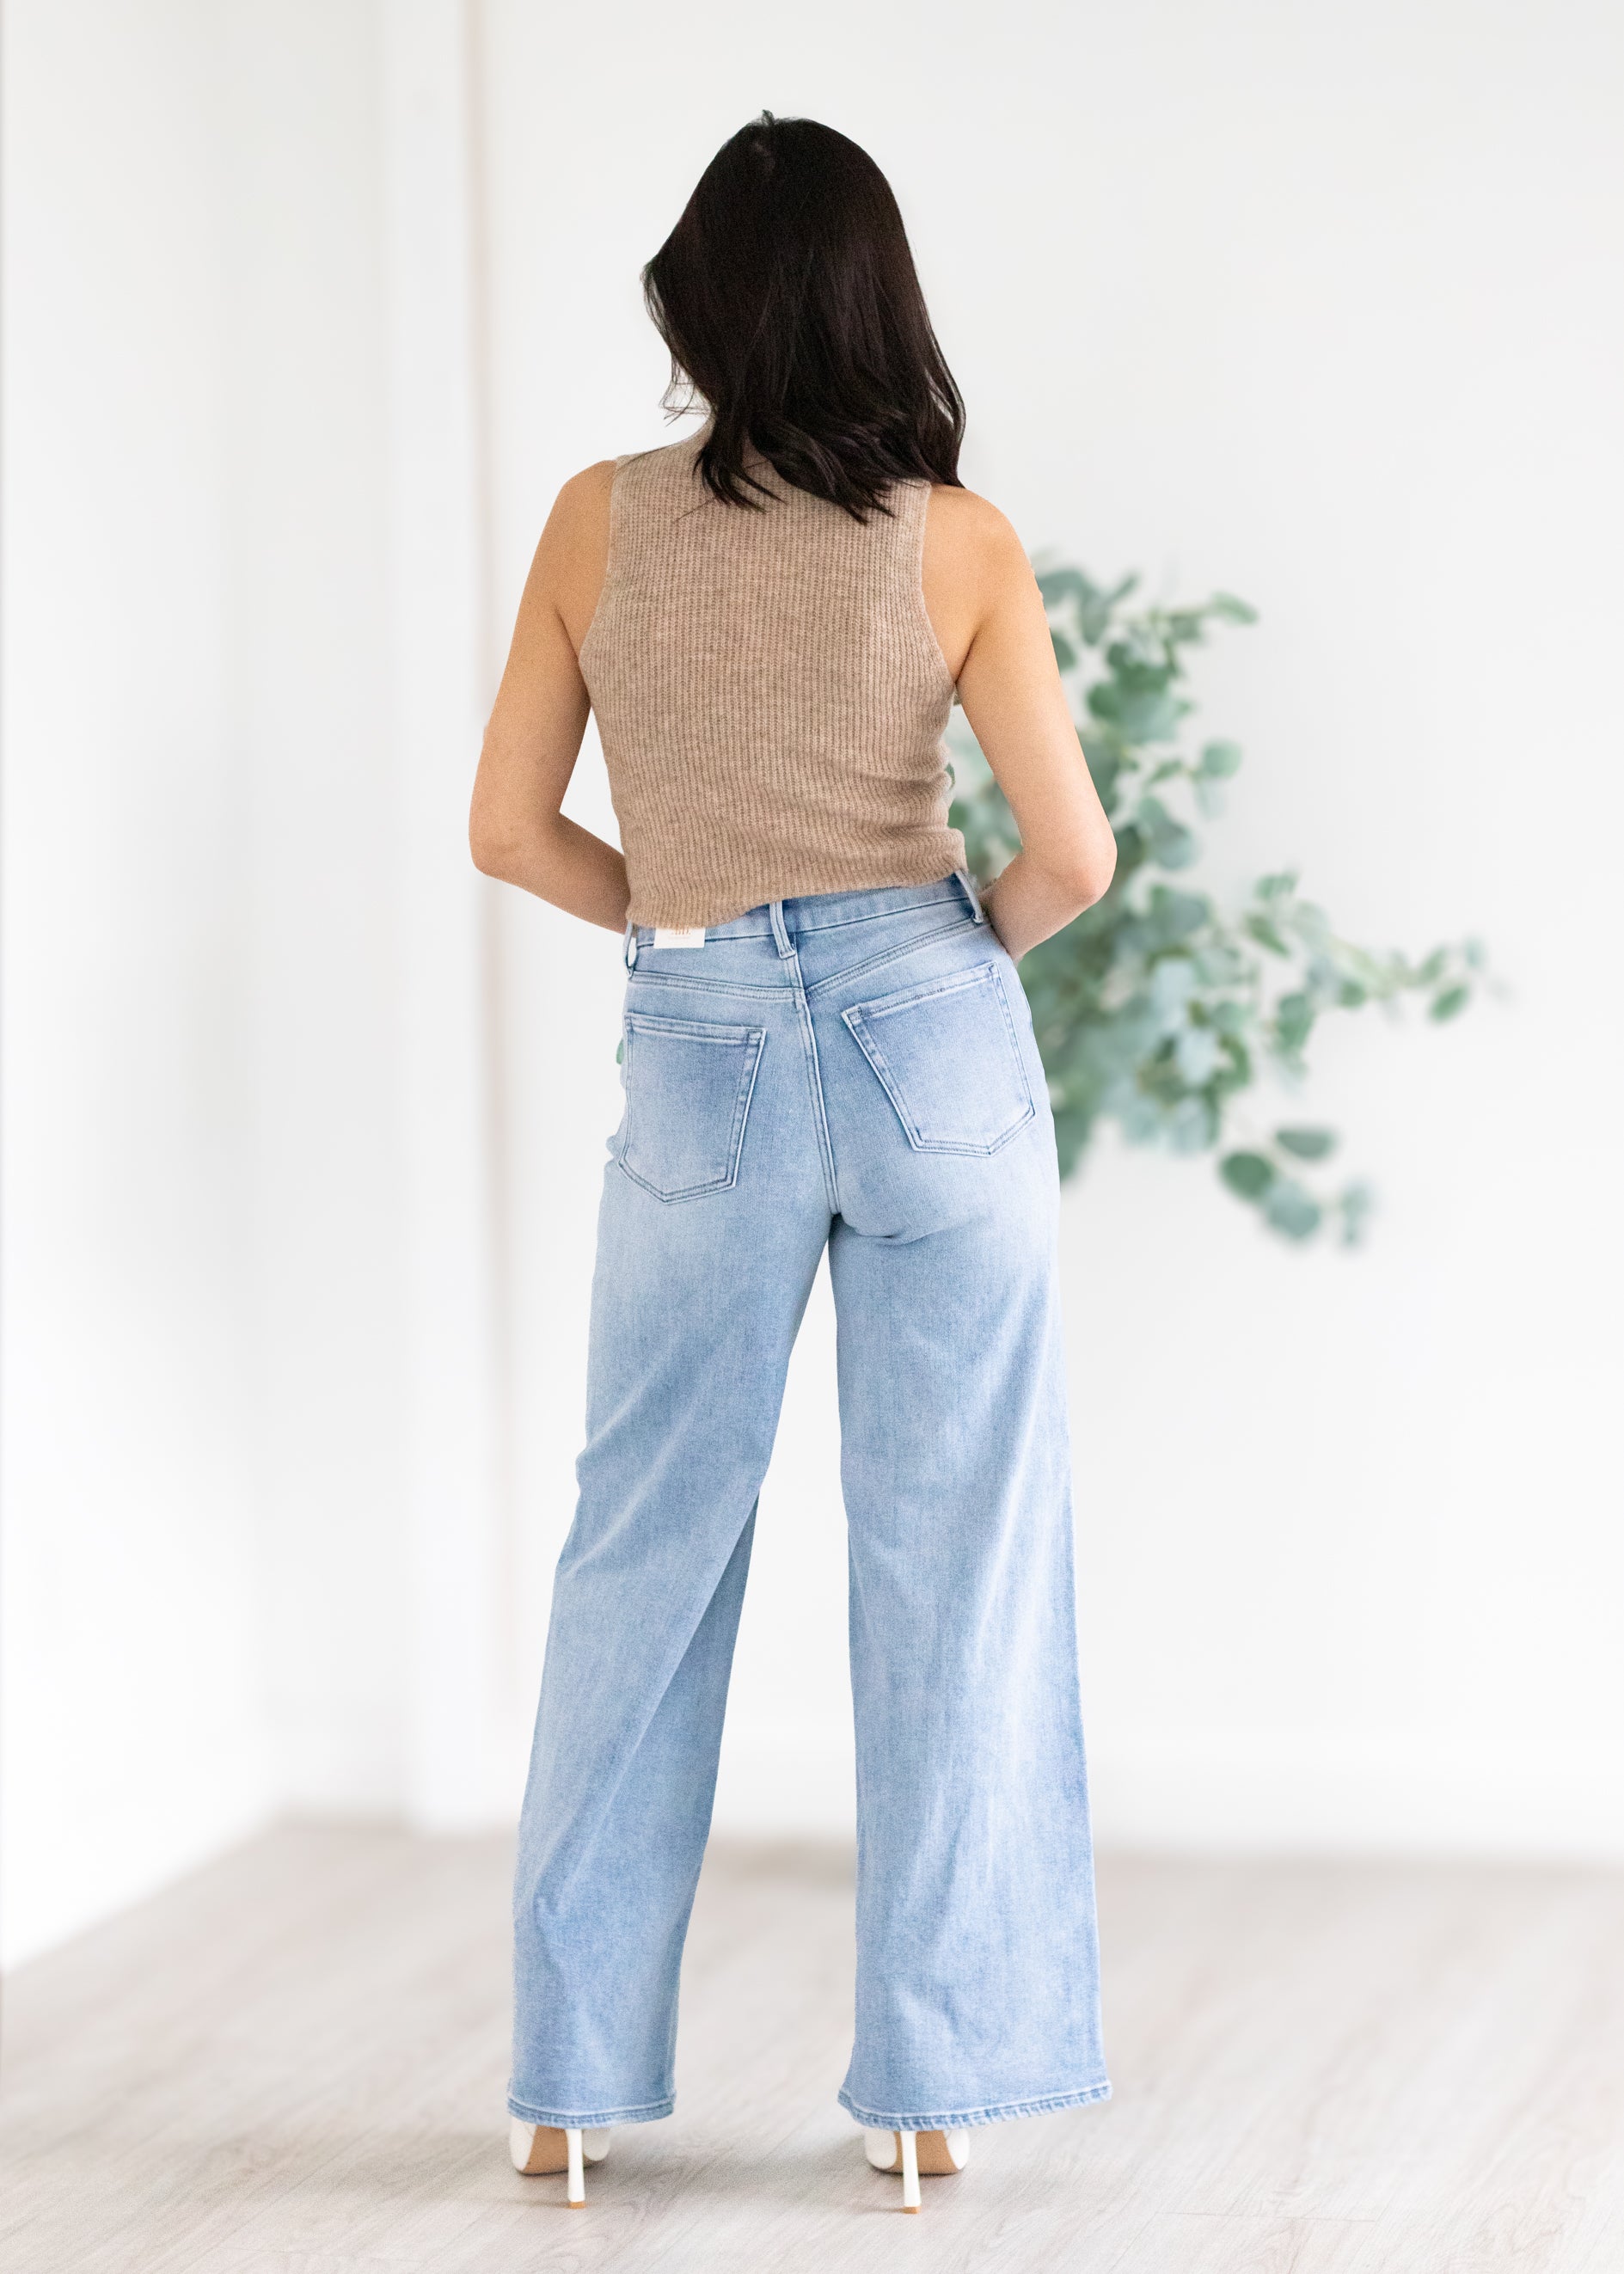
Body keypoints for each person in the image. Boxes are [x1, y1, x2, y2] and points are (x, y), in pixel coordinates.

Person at [469, 111, 1118, 2215]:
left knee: (640, 1548)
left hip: (703, 1046)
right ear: (878, 302)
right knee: (957, 1556)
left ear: (700, 305)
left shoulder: (596, 520)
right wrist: (927, 965)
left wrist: (697, 922)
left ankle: (567, 2089)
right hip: (936, 1032)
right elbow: (1073, 859)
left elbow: (507, 830)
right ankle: (932, 2093)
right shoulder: (959, 538)